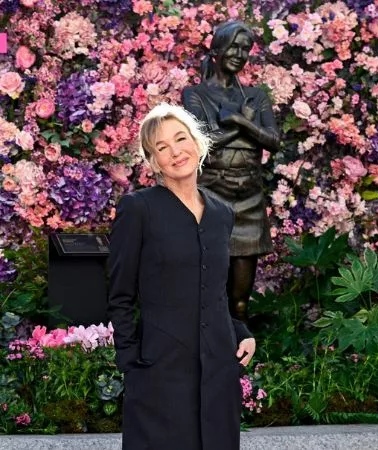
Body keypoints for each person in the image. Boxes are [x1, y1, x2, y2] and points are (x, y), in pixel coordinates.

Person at [107, 103, 257, 449]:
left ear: (196, 142)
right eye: (162, 147)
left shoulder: (222, 213)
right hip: (160, 372)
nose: (175, 152)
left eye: (180, 138)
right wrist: (132, 362)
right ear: (153, 161)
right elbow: (120, 294)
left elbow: (213, 291)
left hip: (219, 370)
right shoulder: (138, 209)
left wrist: (240, 332)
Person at [182, 20, 280, 322]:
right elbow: (203, 142)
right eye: (234, 47)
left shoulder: (256, 96)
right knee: (207, 296)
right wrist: (248, 129)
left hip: (249, 200)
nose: (240, 54)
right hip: (210, 199)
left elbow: (273, 141)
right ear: (217, 49)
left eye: (245, 49)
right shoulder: (194, 94)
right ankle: (206, 347)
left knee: (239, 303)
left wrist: (238, 121)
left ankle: (238, 349)